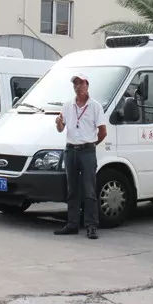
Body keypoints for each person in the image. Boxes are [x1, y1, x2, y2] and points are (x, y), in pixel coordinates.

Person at [54, 73, 107, 239]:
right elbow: (61, 129)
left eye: (80, 83)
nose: (78, 87)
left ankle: (91, 226)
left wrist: (90, 145)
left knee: (89, 190)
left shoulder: (95, 106)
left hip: (87, 151)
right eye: (75, 84)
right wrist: (59, 123)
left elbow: (103, 132)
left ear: (87, 85)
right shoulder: (68, 105)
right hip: (70, 150)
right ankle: (72, 224)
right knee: (72, 189)